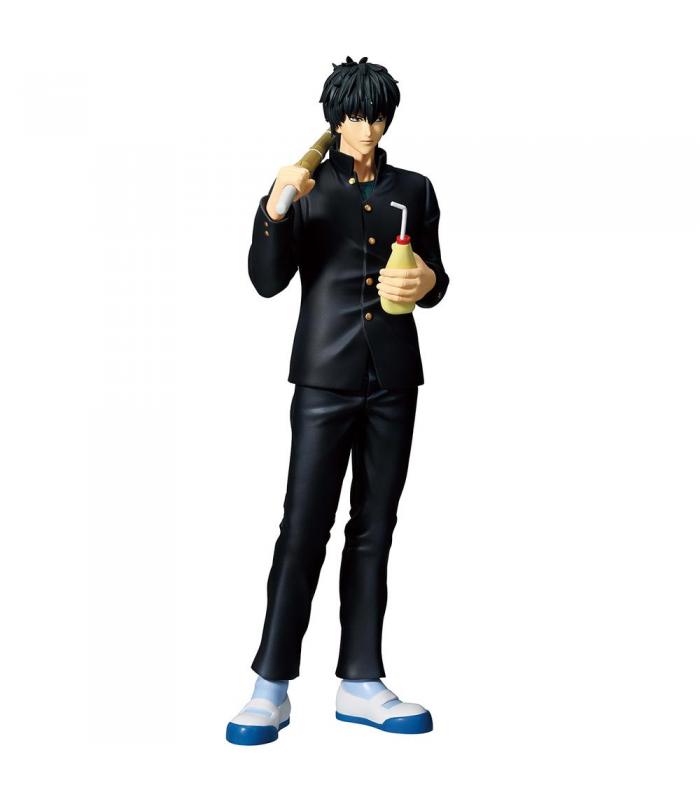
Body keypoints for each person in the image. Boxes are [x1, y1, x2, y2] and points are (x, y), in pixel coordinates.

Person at [226, 56, 449, 745]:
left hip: (394, 379)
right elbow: (266, 281)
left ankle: (361, 680)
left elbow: (438, 279)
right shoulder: (304, 184)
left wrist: (427, 281)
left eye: (376, 115)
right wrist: (274, 208)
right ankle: (270, 685)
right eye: (354, 116)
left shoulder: (414, 187)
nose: (366, 128)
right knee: (303, 527)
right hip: (324, 376)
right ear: (335, 117)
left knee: (375, 527)